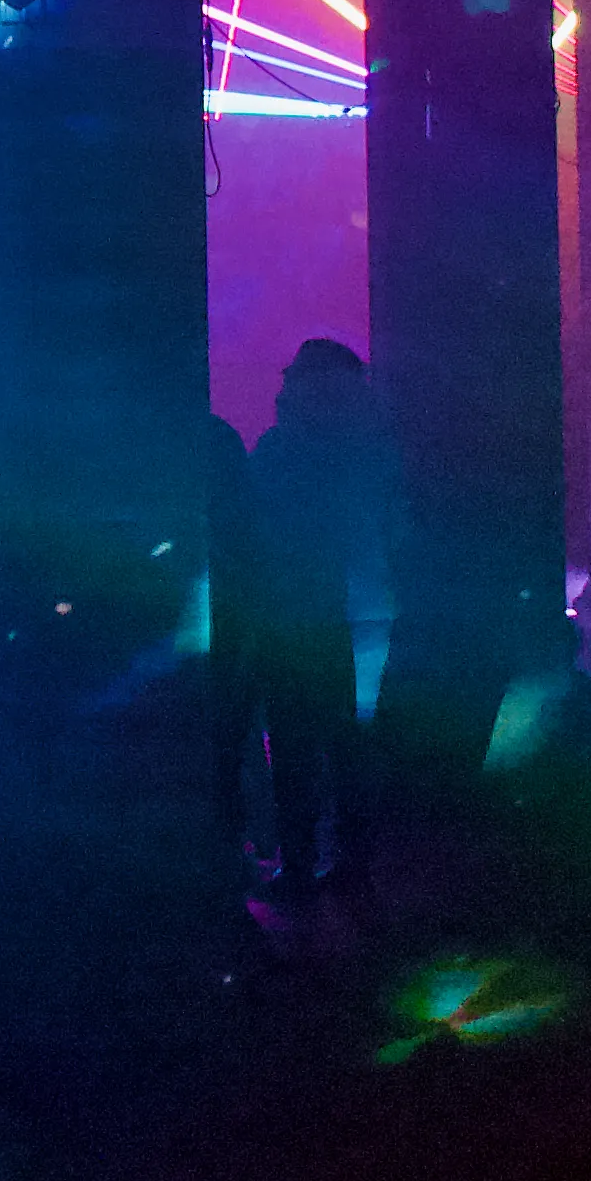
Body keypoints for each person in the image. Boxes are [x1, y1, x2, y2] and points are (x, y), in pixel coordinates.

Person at [252, 338, 402, 899]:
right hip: (366, 619)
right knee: (351, 751)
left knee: (296, 752)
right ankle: (354, 868)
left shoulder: (278, 451)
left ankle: (300, 867)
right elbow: (392, 532)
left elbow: (259, 539)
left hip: (296, 622)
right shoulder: (373, 452)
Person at [201, 411, 270, 853]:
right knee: (229, 736)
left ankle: (228, 841)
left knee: (225, 735)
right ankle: (232, 841)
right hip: (234, 610)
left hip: (228, 610)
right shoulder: (221, 438)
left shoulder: (210, 438)